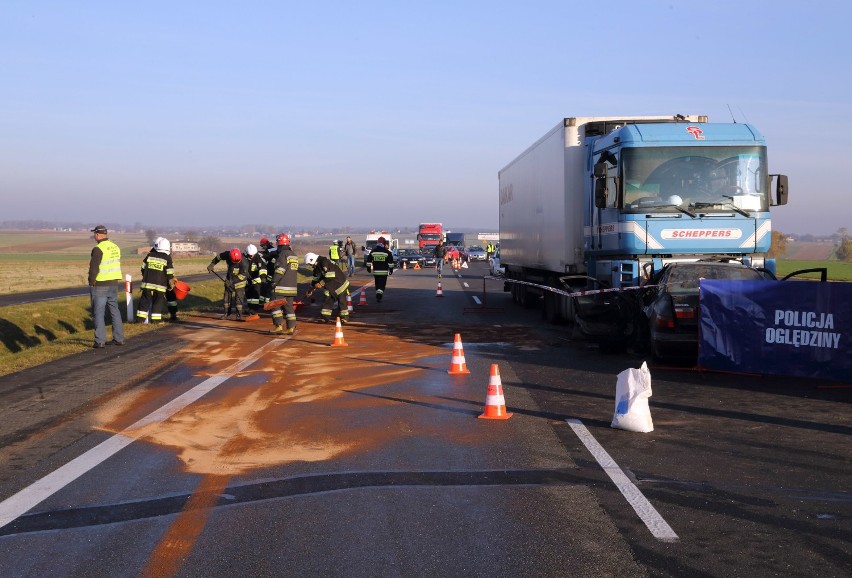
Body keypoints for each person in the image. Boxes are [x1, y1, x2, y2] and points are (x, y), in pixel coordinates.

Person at [87, 225, 125, 348]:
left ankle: (100, 341)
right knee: (115, 310)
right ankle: (119, 338)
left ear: (98, 235)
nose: (94, 236)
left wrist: (91, 281)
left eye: (95, 234)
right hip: (114, 283)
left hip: (101, 284)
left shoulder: (98, 249)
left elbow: (94, 268)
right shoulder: (115, 247)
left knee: (98, 312)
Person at [136, 237, 175, 323]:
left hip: (147, 284)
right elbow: (169, 273)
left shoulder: (150, 255)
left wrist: (146, 276)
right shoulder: (167, 258)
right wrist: (171, 283)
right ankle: (155, 320)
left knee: (144, 301)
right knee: (158, 301)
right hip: (160, 285)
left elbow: (143, 268)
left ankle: (139, 320)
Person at [305, 252, 350, 324]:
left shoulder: (324, 262)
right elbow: (315, 279)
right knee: (327, 300)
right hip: (329, 285)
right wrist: (310, 290)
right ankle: (325, 317)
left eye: (310, 264)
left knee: (342, 301)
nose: (310, 266)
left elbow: (330, 276)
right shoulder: (317, 267)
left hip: (340, 284)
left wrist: (321, 283)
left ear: (312, 260)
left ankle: (344, 318)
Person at [269, 234, 299, 335]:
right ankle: (291, 328)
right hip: (292, 287)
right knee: (289, 307)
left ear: (279, 243)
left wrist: (273, 281)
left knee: (274, 305)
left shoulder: (282, 255)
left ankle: (278, 326)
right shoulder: (293, 255)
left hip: (281, 286)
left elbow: (280, 270)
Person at [207, 247, 250, 320]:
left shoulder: (245, 262)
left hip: (240, 281)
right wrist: (212, 264)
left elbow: (243, 276)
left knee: (239, 298)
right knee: (227, 297)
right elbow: (218, 257)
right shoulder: (227, 254)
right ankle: (226, 313)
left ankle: (239, 315)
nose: (236, 263)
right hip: (229, 278)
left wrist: (232, 282)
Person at [364, 236, 394, 302]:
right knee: (382, 285)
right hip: (384, 272)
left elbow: (368, 260)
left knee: (377, 284)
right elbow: (391, 263)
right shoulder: (387, 252)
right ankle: (379, 295)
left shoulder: (373, 251)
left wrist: (368, 268)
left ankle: (378, 293)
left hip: (376, 272)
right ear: (384, 243)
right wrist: (391, 270)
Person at [244, 243, 267, 313]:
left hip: (256, 279)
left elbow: (262, 268)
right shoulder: (244, 257)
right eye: (250, 255)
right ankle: (250, 308)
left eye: (253, 255)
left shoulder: (258, 258)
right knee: (248, 294)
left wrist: (263, 277)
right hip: (247, 280)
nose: (252, 256)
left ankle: (254, 309)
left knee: (255, 294)